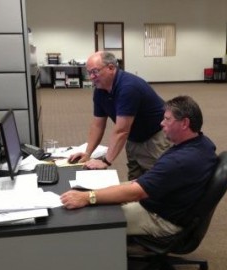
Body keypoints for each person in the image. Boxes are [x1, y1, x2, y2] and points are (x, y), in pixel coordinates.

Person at [61, 96, 218, 237]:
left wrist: (87, 198)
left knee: (95, 218)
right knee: (100, 194)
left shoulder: (179, 161)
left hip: (161, 218)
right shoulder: (203, 143)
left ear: (184, 123)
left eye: (167, 119)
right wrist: (91, 195)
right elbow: (142, 185)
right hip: (166, 202)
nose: (161, 123)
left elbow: (136, 192)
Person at [69, 51, 170, 180]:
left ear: (111, 68)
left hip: (155, 136)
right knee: (135, 178)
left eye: (95, 71)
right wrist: (88, 153)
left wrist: (105, 162)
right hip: (134, 136)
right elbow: (97, 125)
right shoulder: (100, 90)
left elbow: (121, 131)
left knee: (158, 180)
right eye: (89, 73)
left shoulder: (128, 87)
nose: (91, 77)